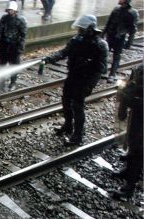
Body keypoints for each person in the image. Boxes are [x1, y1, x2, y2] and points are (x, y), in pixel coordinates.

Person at [43, 15, 108, 146]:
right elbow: (64, 52)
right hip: (73, 76)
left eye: (82, 29)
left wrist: (89, 82)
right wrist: (49, 58)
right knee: (66, 101)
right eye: (79, 28)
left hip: (86, 80)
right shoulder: (76, 40)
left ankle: (78, 136)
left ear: (90, 29)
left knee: (77, 106)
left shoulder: (100, 45)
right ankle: (68, 126)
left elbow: (101, 69)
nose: (79, 31)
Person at [112, 64, 143, 198]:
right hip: (137, 114)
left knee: (139, 150)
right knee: (132, 141)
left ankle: (129, 186)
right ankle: (128, 170)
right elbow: (130, 84)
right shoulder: (141, 68)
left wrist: (128, 99)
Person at [102, 0, 139, 83]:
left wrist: (129, 41)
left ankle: (112, 74)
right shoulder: (116, 9)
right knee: (104, 53)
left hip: (120, 37)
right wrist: (103, 34)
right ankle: (103, 70)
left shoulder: (132, 13)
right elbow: (108, 23)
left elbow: (133, 29)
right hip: (110, 35)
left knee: (116, 56)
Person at [0, 1, 28, 90]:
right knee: (2, 64)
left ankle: (13, 82)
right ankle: (1, 82)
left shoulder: (21, 20)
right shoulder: (4, 18)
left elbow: (23, 35)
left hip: (15, 47)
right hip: (4, 45)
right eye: (8, 10)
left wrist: (20, 48)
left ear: (15, 10)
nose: (9, 11)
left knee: (14, 66)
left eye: (11, 10)